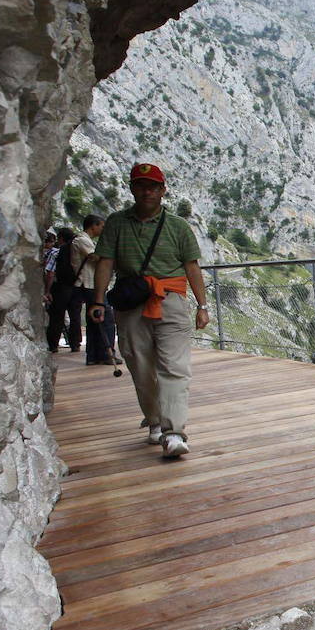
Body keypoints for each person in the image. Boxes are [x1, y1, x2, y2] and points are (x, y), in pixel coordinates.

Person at [90, 163, 210, 458]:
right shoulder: (117, 224)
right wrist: (97, 300)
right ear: (132, 188)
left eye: (153, 186)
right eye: (141, 185)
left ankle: (174, 432)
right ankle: (154, 420)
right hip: (131, 302)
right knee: (140, 365)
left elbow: (192, 266)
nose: (147, 191)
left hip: (170, 300)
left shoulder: (178, 226)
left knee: (175, 367)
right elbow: (105, 262)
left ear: (162, 190)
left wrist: (202, 306)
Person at [75, 214, 117, 365]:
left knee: (94, 321)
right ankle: (107, 354)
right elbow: (97, 258)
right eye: (102, 226)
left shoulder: (85, 240)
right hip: (89, 284)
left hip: (89, 285)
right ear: (93, 226)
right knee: (106, 318)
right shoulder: (82, 240)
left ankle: (94, 355)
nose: (103, 229)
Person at [44, 227, 82, 353]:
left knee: (57, 316)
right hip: (76, 286)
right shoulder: (77, 251)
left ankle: (53, 345)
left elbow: (50, 272)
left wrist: (47, 291)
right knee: (75, 316)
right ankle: (75, 343)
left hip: (60, 287)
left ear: (60, 238)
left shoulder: (56, 252)